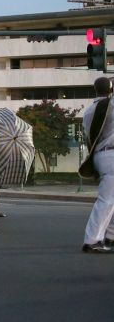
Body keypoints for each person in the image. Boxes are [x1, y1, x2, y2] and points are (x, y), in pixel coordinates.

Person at [81, 77, 114, 253]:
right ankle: (92, 239)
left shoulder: (90, 110)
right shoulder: (109, 106)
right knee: (106, 200)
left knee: (111, 199)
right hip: (111, 155)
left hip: (101, 155)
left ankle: (110, 235)